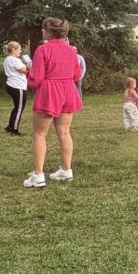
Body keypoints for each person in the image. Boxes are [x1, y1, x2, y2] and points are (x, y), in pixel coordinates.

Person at [23, 17, 83, 188]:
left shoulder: (42, 50)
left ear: (49, 32)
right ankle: (66, 169)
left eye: (43, 29)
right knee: (64, 133)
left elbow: (36, 79)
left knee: (39, 134)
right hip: (68, 91)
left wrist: (28, 72)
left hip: (50, 92)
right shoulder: (72, 50)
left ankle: (38, 175)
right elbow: (76, 75)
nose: (42, 32)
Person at [3, 41, 30, 136]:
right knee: (19, 109)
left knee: (16, 107)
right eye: (19, 49)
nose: (20, 51)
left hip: (11, 85)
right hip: (18, 87)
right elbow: (25, 70)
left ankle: (10, 126)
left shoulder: (7, 59)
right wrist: (30, 65)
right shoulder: (15, 60)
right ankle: (14, 129)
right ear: (13, 50)